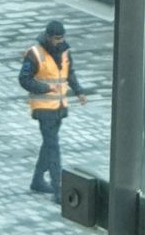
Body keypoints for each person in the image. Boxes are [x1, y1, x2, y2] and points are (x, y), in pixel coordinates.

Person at [19, 19, 87, 204]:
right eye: (57, 38)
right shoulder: (35, 54)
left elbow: (69, 73)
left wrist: (79, 91)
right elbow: (24, 79)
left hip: (59, 107)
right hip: (43, 108)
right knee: (53, 147)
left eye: (62, 38)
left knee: (49, 145)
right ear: (48, 37)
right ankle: (58, 189)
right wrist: (45, 88)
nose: (59, 41)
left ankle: (37, 180)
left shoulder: (65, 51)